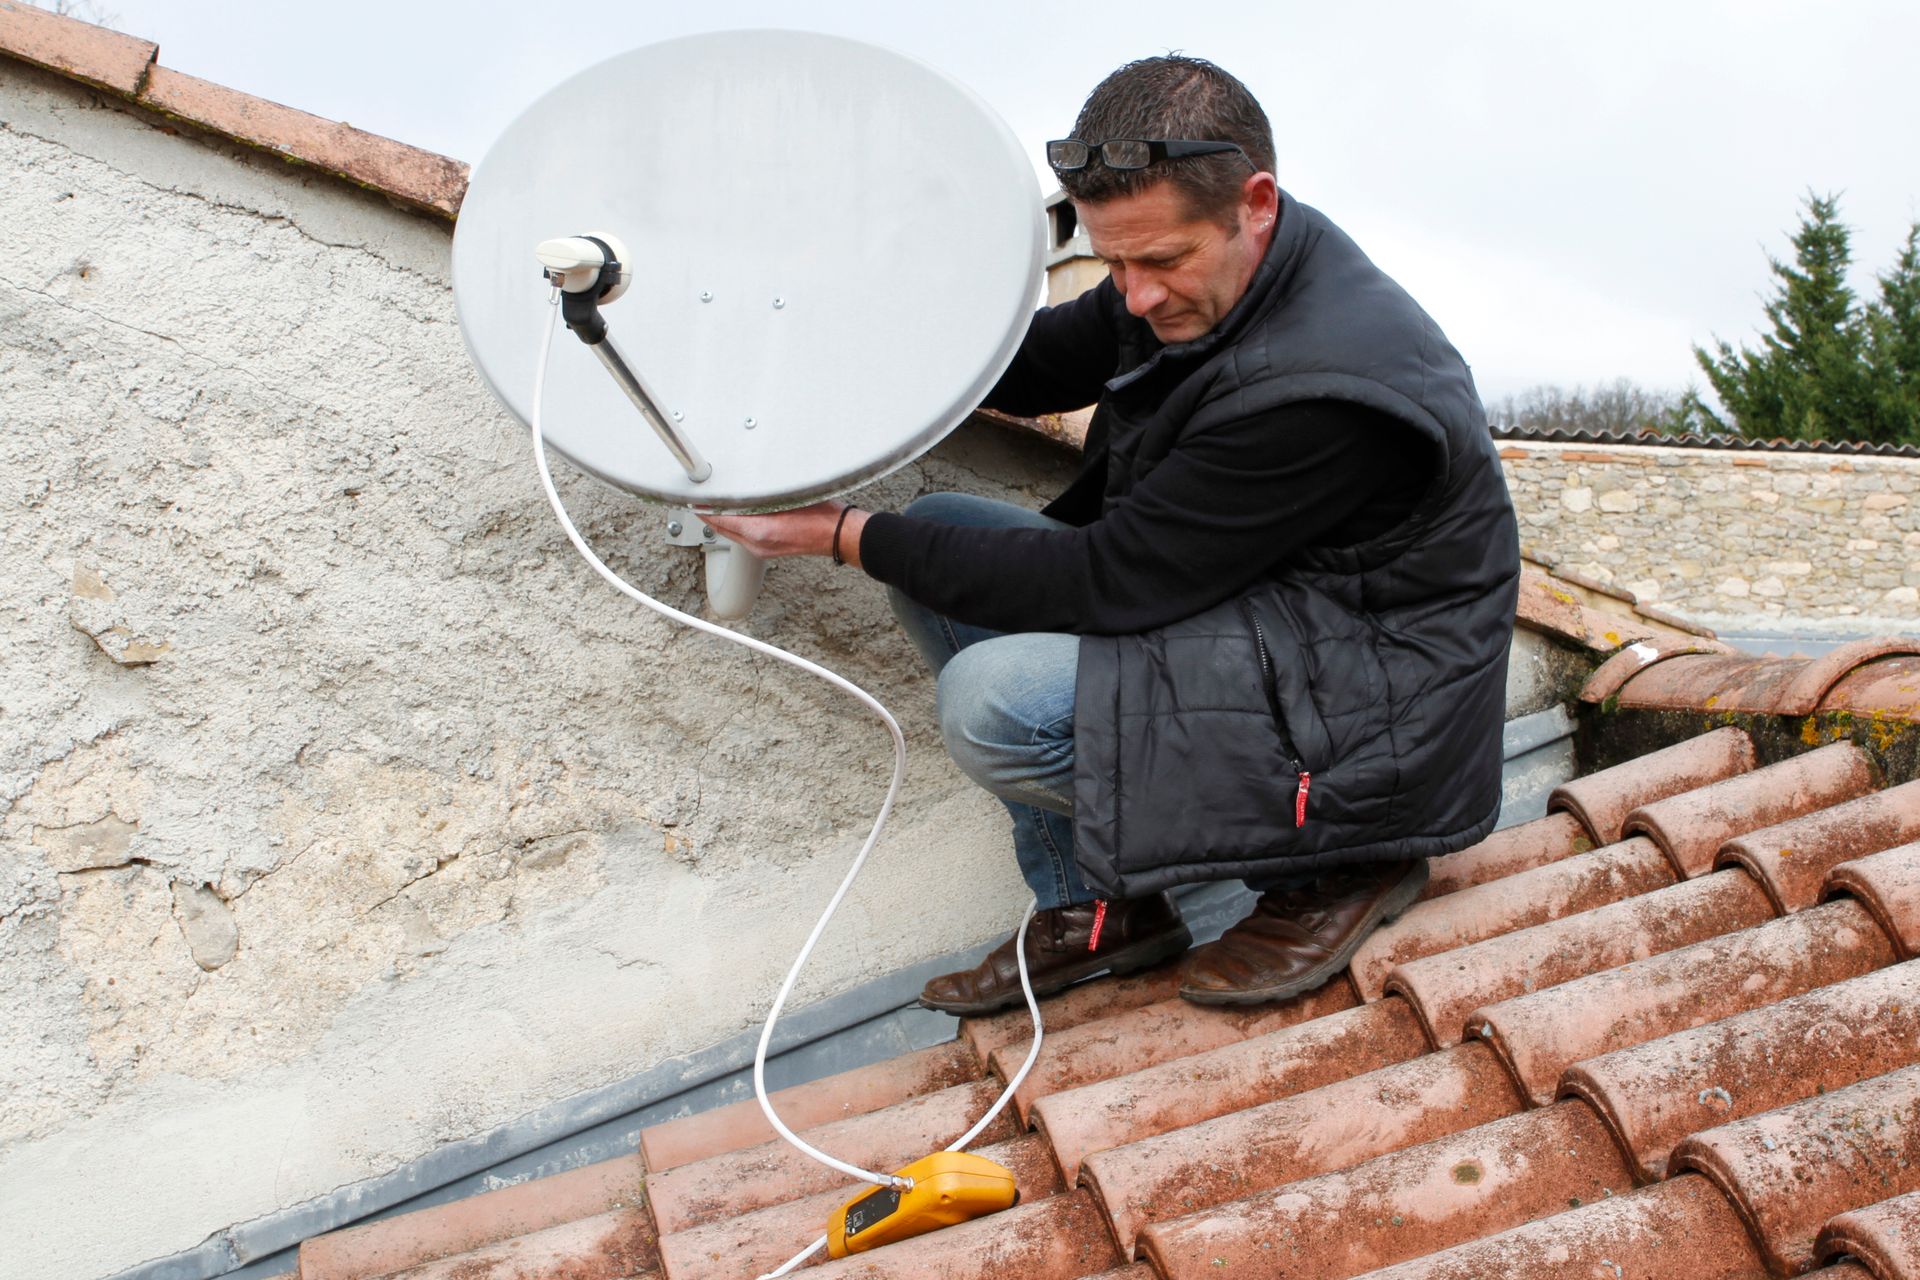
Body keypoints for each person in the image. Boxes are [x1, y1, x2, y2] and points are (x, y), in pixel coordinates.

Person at [704, 55, 1520, 1015]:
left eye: (1160, 263)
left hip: (1366, 716)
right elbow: (1033, 364)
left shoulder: (1325, 383)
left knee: (994, 703)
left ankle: (1341, 866)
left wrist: (840, 533)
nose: (1133, 295)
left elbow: (1107, 581)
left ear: (1254, 203)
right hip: (1264, 622)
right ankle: (1102, 910)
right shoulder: (1209, 271)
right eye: (1113, 261)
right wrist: (832, 329)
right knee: (937, 539)